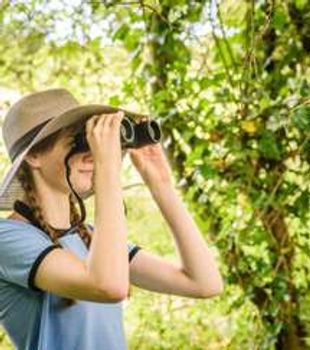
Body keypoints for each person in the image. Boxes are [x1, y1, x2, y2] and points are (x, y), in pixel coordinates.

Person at [0, 88, 224, 350]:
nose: (92, 154)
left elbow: (204, 283)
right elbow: (108, 286)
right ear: (34, 156)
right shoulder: (8, 237)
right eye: (79, 142)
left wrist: (161, 185)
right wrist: (107, 168)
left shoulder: (91, 239)